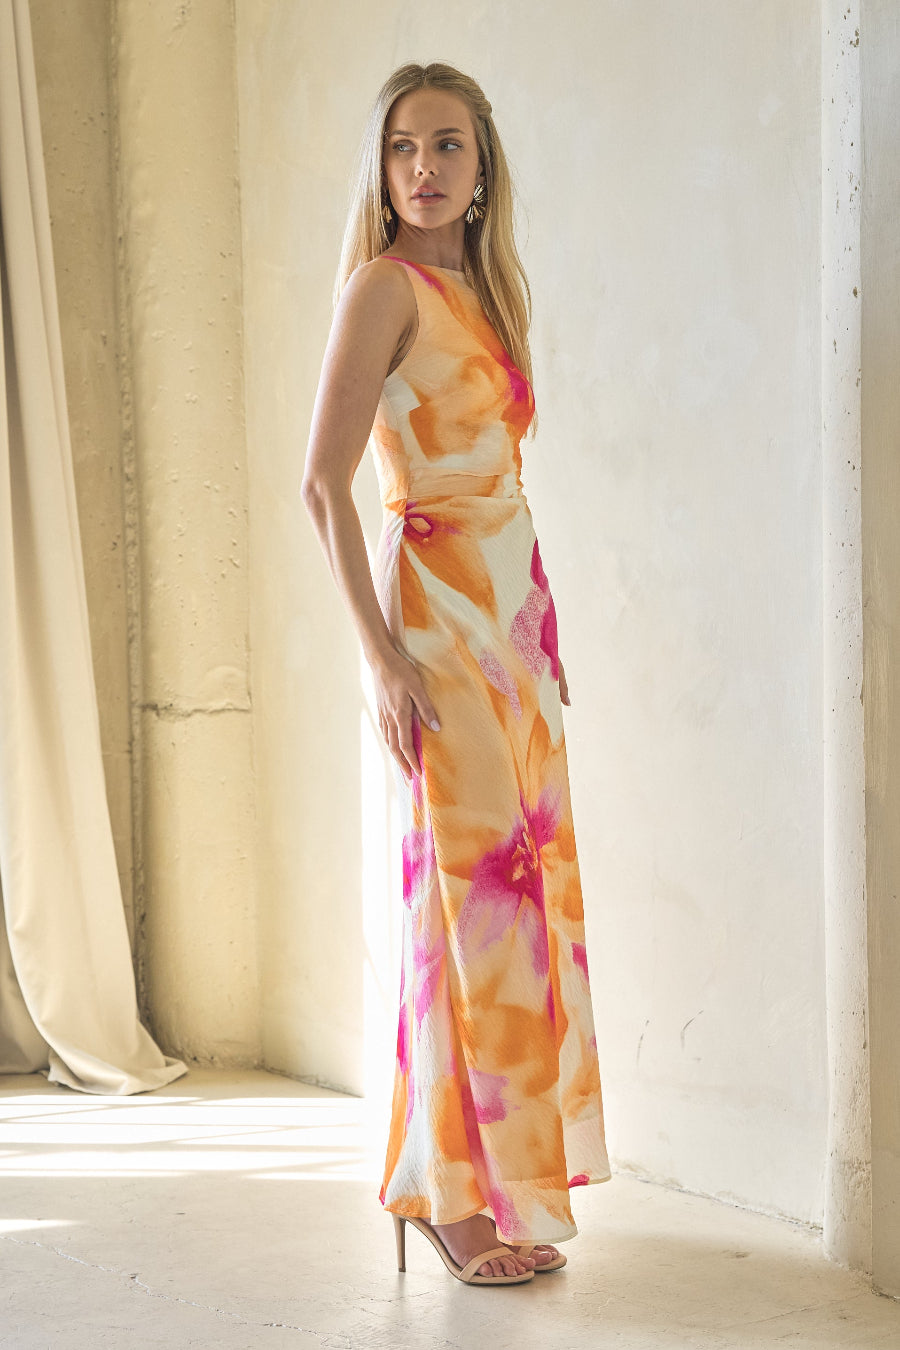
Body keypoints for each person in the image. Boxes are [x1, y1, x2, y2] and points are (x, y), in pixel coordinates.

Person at [301, 60, 611, 1287]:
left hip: (510, 636)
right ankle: (440, 1193)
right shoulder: (382, 288)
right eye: (402, 150)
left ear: (482, 176)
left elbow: (503, 481)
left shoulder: (482, 288)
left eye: (447, 148)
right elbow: (322, 483)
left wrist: (545, 626)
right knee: (462, 905)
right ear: (380, 173)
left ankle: (482, 1183)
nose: (423, 168)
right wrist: (380, 658)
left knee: (517, 906)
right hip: (432, 626)